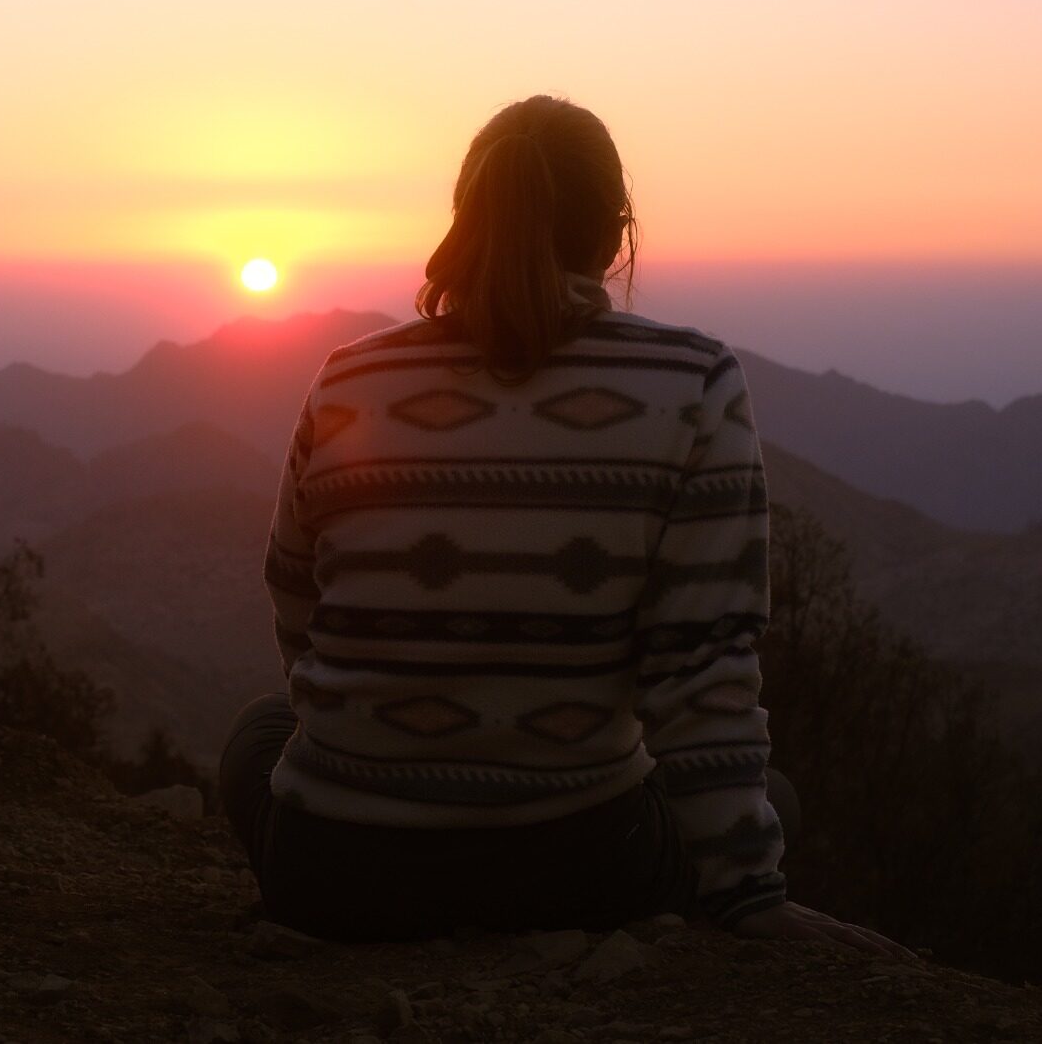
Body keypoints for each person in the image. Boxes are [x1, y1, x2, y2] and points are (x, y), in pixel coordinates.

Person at [219, 95, 903, 956]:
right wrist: (749, 894)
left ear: (469, 219)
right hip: (584, 865)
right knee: (780, 796)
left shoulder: (348, 378)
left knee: (257, 733)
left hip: (335, 875)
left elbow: (296, 601)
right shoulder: (695, 382)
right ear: (615, 235)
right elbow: (704, 662)